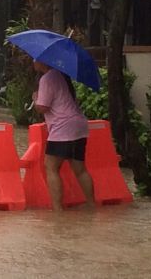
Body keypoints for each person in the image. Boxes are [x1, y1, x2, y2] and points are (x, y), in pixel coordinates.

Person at [32, 61, 95, 212]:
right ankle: (92, 205)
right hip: (78, 125)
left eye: (35, 59)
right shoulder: (62, 75)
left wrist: (35, 99)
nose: (33, 62)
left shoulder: (47, 78)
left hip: (62, 127)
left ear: (42, 61)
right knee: (80, 169)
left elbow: (43, 107)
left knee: (51, 166)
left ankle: (57, 210)